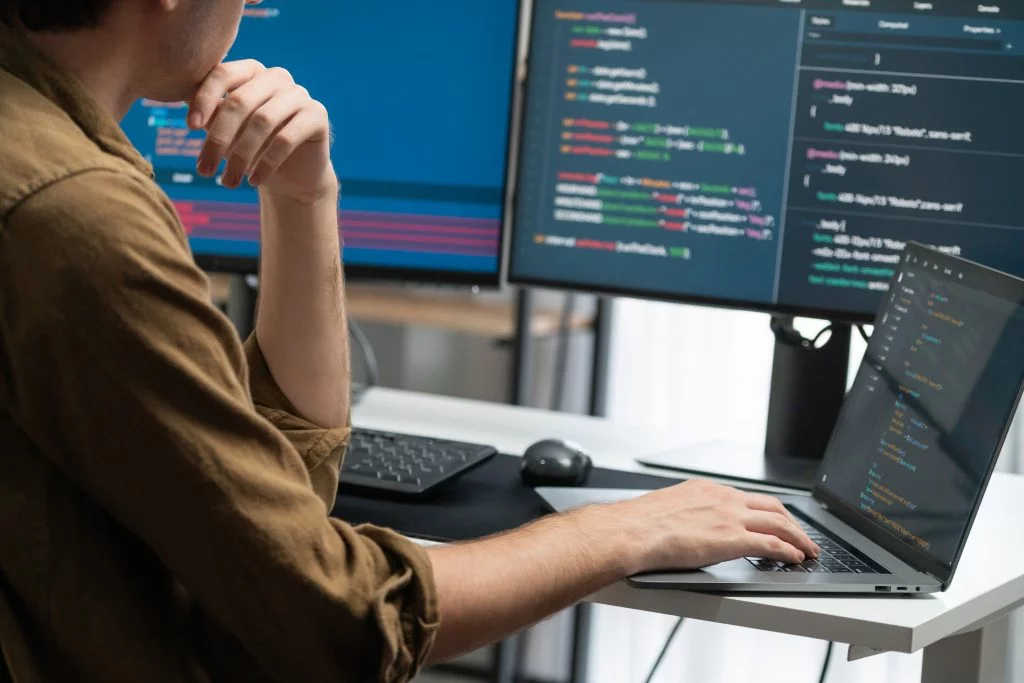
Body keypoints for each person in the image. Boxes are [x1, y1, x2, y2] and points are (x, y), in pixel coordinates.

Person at [0, 0, 820, 681]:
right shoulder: (79, 217)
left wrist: (303, 196)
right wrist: (618, 529)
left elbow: (283, 488)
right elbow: (343, 620)